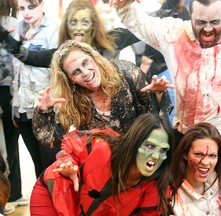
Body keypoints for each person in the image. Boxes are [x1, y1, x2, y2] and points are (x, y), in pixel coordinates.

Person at [111, 0, 221, 158]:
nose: (208, 29)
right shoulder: (174, 33)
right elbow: (133, 17)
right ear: (190, 16)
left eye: (215, 22)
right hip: (187, 141)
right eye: (200, 22)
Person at [32, 40, 173, 147]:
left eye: (85, 63)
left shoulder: (126, 73)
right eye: (76, 72)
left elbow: (155, 118)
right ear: (71, 80)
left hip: (138, 155)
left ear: (93, 58)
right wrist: (44, 111)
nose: (86, 73)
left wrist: (158, 93)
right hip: (101, 168)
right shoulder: (70, 99)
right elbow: (50, 139)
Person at [30, 113, 175, 215]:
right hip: (54, 192)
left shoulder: (157, 186)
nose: (156, 156)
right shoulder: (103, 148)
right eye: (149, 146)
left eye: (163, 150)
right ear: (135, 141)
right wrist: (67, 162)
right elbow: (71, 141)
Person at [0, 0, 140, 67]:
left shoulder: (114, 39)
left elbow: (144, 29)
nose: (78, 28)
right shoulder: (62, 55)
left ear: (93, 24)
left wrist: (162, 13)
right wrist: (4, 38)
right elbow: (30, 57)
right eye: (73, 22)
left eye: (84, 22)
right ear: (67, 26)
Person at [9, 0, 59, 178]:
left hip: (47, 110)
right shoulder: (17, 31)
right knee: (38, 166)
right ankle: (43, 205)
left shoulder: (54, 29)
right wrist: (15, 109)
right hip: (23, 111)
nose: (26, 12)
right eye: (22, 8)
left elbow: (57, 73)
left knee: (51, 167)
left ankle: (57, 205)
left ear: (42, 5)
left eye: (31, 7)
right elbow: (16, 75)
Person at [0, 0, 28, 214]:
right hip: (11, 91)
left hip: (7, 89)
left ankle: (9, 194)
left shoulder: (11, 23)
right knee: (10, 142)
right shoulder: (13, 23)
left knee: (5, 144)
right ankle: (12, 193)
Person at [170, 122, 221, 215]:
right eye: (198, 154)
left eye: (212, 156)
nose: (205, 162)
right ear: (185, 154)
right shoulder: (168, 193)